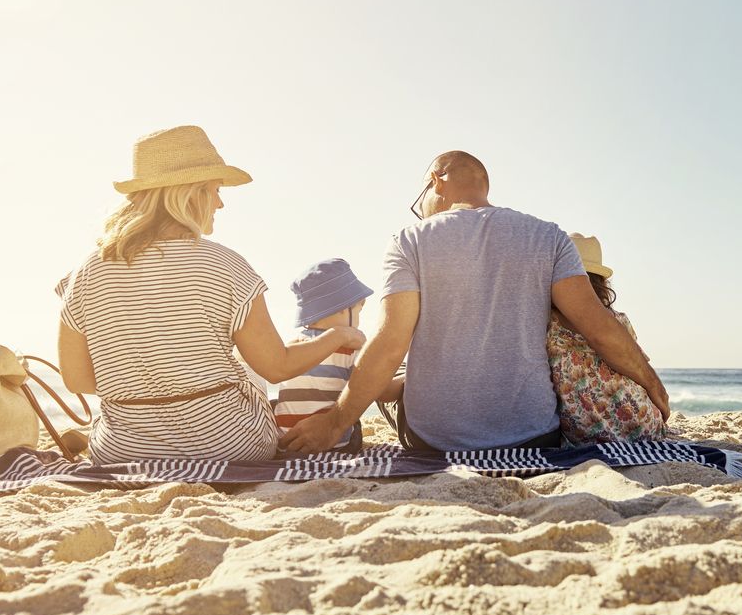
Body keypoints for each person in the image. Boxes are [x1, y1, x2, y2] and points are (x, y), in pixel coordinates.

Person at [283, 151, 670, 454]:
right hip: (534, 438)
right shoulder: (549, 237)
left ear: (437, 179)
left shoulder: (410, 240)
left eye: (421, 199)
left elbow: (390, 341)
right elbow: (599, 326)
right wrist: (653, 384)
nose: (421, 212)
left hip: (434, 442)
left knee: (396, 378)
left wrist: (334, 422)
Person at [55, 126, 364, 463]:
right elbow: (277, 368)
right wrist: (338, 336)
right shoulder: (226, 264)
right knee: (247, 368)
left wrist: (152, 383)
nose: (220, 202)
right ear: (192, 192)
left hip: (124, 451)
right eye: (215, 190)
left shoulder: (85, 272)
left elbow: (77, 379)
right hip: (230, 446)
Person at [548, 233, 667, 444]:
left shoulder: (548, 324)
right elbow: (638, 362)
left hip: (582, 432)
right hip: (641, 424)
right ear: (601, 282)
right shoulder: (618, 322)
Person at [273, 258, 398, 454]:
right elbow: (384, 391)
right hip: (333, 446)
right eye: (359, 310)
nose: (358, 321)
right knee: (354, 422)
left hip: (288, 443)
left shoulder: (295, 345)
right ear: (342, 308)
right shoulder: (350, 350)